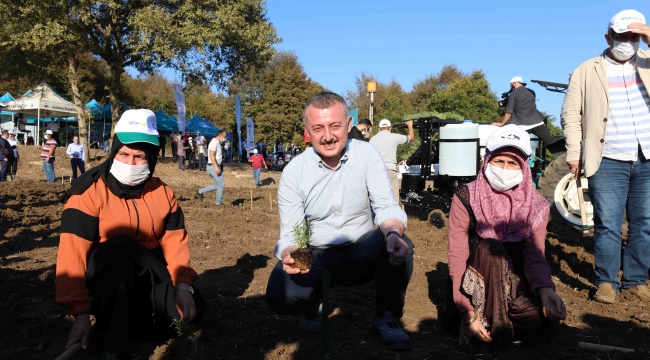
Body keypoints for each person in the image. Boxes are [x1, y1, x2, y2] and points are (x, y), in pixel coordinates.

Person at [265, 92, 414, 350]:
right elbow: (290, 231)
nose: (328, 136)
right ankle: (312, 304)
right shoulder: (294, 172)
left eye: (335, 126)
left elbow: (386, 205)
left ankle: (387, 317)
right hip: (314, 256)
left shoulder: (366, 155)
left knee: (399, 242)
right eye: (318, 128)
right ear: (307, 132)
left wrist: (392, 233)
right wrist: (289, 252)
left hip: (361, 251)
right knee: (281, 294)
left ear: (348, 125)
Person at [56, 109, 205, 358]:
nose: (130, 163)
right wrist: (80, 312)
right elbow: (72, 256)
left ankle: (130, 321)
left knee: (194, 310)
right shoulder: (87, 193)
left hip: (148, 275)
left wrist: (182, 286)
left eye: (139, 156)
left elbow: (175, 243)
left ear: (152, 158)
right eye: (123, 154)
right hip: (106, 279)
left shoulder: (163, 193)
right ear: (114, 152)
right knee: (123, 245)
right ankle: (112, 340)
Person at [447, 125, 566, 354]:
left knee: (534, 316)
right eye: (498, 161)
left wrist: (545, 290)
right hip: (474, 287)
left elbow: (535, 256)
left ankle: (499, 324)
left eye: (513, 163)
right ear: (487, 160)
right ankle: (478, 325)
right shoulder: (466, 196)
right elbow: (457, 256)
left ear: (524, 166)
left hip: (515, 282)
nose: (504, 169)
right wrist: (466, 311)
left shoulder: (537, 206)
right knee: (492, 249)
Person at [561, 9, 650, 304]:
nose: (629, 42)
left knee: (644, 222)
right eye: (623, 36)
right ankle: (607, 282)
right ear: (608, 37)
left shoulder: (648, 62)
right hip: (608, 158)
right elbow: (571, 115)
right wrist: (574, 153)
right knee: (608, 223)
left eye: (635, 36)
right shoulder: (587, 70)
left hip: (647, 157)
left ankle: (636, 280)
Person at [491, 77, 553, 145]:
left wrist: (501, 123)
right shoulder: (532, 92)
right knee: (550, 143)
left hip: (523, 126)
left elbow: (509, 112)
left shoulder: (513, 94)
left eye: (511, 85)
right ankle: (563, 154)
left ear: (514, 83)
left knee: (519, 147)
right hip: (537, 122)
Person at [369, 119, 414, 203]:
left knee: (378, 196)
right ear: (390, 128)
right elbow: (411, 138)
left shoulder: (372, 139)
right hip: (390, 169)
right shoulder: (395, 137)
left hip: (376, 170)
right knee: (393, 196)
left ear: (379, 129)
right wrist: (410, 125)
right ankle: (393, 214)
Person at [196, 130, 226, 205]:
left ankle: (200, 192)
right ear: (220, 135)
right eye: (224, 136)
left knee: (217, 185)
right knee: (221, 185)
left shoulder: (217, 143)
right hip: (212, 166)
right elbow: (211, 155)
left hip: (213, 166)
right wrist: (216, 167)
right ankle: (218, 203)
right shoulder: (214, 143)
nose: (225, 138)